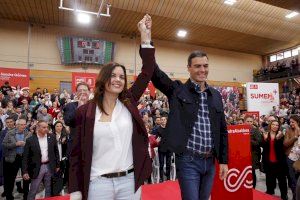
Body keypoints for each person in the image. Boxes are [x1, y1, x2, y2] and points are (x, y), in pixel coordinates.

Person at [68, 14, 155, 200]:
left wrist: (145, 37)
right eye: (113, 75)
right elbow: (75, 154)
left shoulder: (129, 101)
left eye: (122, 77)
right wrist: (75, 191)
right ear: (103, 78)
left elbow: (148, 70)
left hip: (129, 182)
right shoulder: (85, 112)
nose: (118, 80)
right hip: (98, 184)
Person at [144, 18, 228, 200]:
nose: (202, 70)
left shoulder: (216, 95)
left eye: (205, 66)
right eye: (197, 66)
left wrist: (224, 161)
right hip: (188, 160)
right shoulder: (177, 90)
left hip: (210, 162)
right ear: (189, 68)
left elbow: (222, 131)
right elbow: (154, 72)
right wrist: (146, 38)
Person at [22, 120, 60, 200]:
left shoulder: (52, 137)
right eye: (44, 127)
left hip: (49, 165)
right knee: (34, 189)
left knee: (48, 188)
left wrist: (57, 165)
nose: (46, 129)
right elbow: (25, 157)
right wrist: (25, 171)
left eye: (47, 127)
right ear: (38, 128)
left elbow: (56, 152)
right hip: (37, 168)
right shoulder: (30, 140)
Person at [2, 118, 31, 200]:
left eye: (24, 124)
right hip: (13, 158)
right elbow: (4, 145)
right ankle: (9, 197)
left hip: (24, 158)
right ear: (17, 125)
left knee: (26, 178)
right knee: (10, 179)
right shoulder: (10, 133)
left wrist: (27, 145)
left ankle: (26, 196)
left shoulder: (28, 133)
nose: (23, 126)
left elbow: (31, 146)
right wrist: (15, 144)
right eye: (21, 124)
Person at [262, 120, 287, 200]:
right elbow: (264, 147)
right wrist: (265, 139)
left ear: (278, 126)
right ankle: (270, 192)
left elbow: (281, 148)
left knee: (282, 181)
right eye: (273, 124)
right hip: (269, 162)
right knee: (269, 180)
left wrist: (277, 138)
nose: (275, 126)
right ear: (270, 125)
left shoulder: (281, 135)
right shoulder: (266, 135)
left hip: (279, 162)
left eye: (277, 125)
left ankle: (284, 195)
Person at [283, 115, 300, 200]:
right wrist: (295, 137)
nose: (291, 123)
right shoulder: (288, 131)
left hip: (299, 159)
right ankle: (294, 196)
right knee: (293, 180)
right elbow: (285, 144)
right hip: (290, 158)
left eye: (293, 122)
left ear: (298, 122)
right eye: (290, 122)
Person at [244, 115, 262, 188]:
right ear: (244, 122)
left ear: (253, 122)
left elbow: (258, 143)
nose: (249, 123)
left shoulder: (256, 131)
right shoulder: (240, 130)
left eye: (250, 121)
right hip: (243, 156)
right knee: (244, 172)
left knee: (252, 173)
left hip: (253, 155)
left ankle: (253, 189)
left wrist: (247, 138)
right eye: (247, 121)